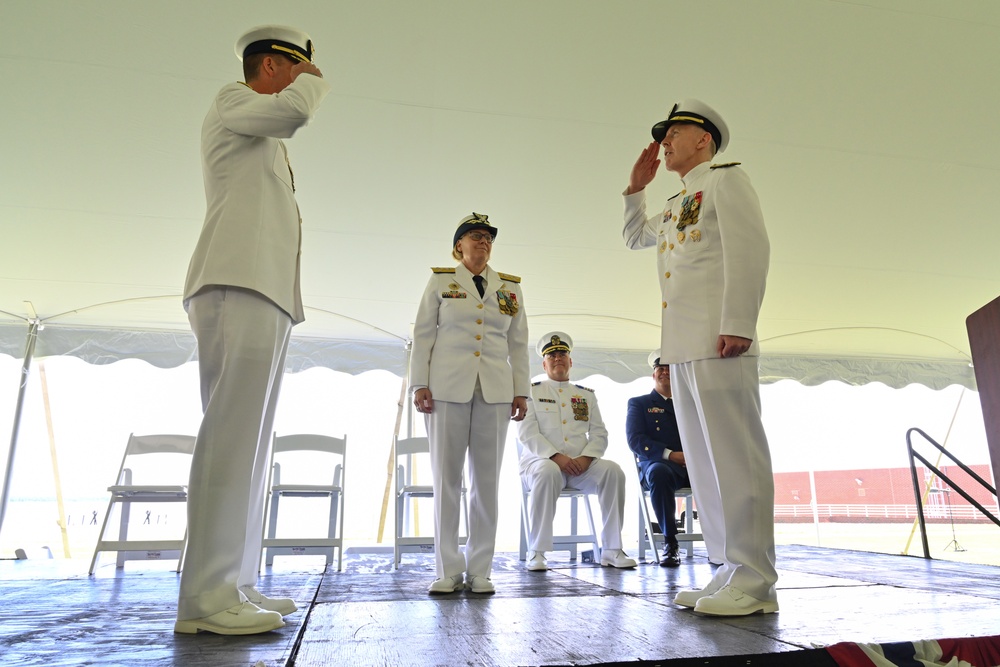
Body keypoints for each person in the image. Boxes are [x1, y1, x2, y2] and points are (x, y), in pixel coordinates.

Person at [175, 25, 330, 635]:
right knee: (229, 438)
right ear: (272, 65)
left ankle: (233, 581)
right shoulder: (233, 99)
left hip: (262, 288)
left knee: (251, 447)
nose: (305, 78)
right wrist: (317, 87)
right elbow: (291, 114)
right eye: (298, 67)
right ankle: (205, 600)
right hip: (235, 280)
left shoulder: (259, 130)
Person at [622, 99, 778, 616]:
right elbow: (633, 238)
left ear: (703, 140)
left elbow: (750, 250)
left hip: (718, 340)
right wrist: (635, 191)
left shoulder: (727, 181)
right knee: (709, 467)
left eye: (673, 132)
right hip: (683, 351)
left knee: (737, 457)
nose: (664, 141)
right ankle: (729, 569)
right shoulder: (675, 203)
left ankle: (756, 580)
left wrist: (738, 322)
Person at [410, 212, 530, 595]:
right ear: (458, 245)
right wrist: (419, 383)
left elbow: (519, 344)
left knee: (486, 483)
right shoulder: (442, 281)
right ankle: (447, 568)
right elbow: (423, 334)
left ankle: (481, 569)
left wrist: (522, 391)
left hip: (495, 392)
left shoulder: (509, 287)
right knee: (446, 480)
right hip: (446, 389)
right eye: (475, 236)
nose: (483, 242)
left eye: (488, 237)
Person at [517, 332, 637, 572]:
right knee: (548, 471)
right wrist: (556, 457)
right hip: (541, 463)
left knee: (613, 471)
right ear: (544, 363)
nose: (557, 358)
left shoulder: (586, 395)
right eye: (552, 356)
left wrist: (586, 458)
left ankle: (612, 549)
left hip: (580, 467)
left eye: (562, 354)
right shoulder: (531, 392)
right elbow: (527, 434)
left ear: (571, 362)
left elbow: (599, 434)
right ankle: (537, 551)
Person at [625, 353, 690, 567]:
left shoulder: (691, 403)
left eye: (669, 368)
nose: (664, 371)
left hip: (693, 467)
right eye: (660, 368)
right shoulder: (640, 403)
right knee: (658, 472)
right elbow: (635, 440)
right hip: (661, 467)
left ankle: (722, 543)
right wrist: (670, 455)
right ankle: (670, 543)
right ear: (653, 374)